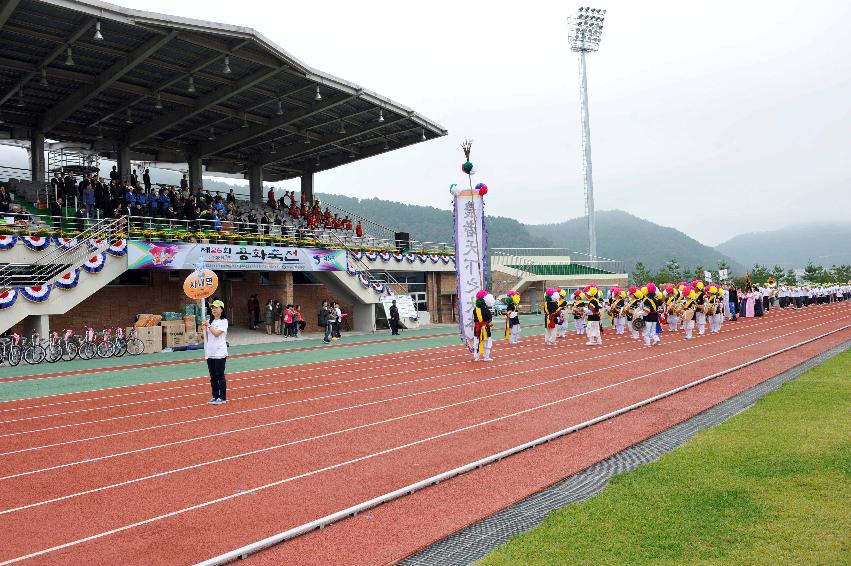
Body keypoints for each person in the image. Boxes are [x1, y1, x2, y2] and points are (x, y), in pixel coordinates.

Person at [203, 299, 229, 405]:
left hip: (220, 353)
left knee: (220, 375)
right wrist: (204, 329)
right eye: (212, 308)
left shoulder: (224, 321)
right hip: (210, 352)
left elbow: (217, 334)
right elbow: (207, 337)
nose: (214, 309)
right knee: (212, 376)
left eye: (216, 307)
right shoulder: (212, 321)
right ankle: (215, 396)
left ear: (221, 309)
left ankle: (222, 397)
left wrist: (208, 326)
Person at [471, 290, 495, 361]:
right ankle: (486, 357)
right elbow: (490, 321)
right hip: (486, 328)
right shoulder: (487, 310)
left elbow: (474, 319)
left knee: (477, 341)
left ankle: (476, 357)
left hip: (477, 328)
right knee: (487, 342)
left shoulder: (475, 310)